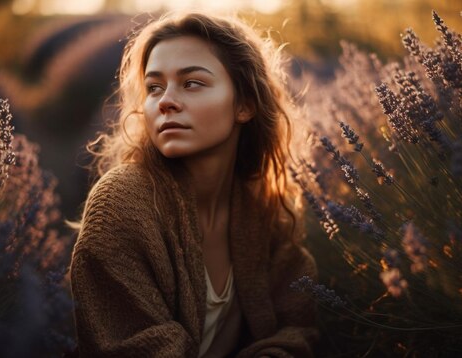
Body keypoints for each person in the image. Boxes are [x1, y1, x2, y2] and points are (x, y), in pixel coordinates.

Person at [69, 11, 319, 357]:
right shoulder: (120, 204)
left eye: (192, 83)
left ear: (244, 105)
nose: (165, 101)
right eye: (154, 87)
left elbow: (299, 324)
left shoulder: (257, 206)